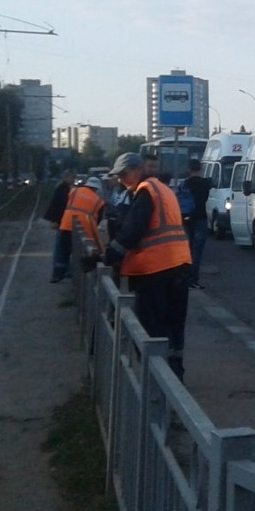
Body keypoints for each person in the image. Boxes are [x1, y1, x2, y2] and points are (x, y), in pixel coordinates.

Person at [93, 152, 193, 381]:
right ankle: (175, 377)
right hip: (179, 265)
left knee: (153, 328)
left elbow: (132, 230)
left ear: (136, 170)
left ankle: (158, 382)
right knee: (175, 325)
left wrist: (105, 257)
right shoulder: (163, 190)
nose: (120, 180)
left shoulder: (146, 192)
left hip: (155, 270)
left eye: (123, 174)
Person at [51, 176, 105, 283]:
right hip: (84, 229)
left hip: (66, 224)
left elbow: (67, 203)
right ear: (97, 189)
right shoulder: (98, 201)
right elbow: (97, 220)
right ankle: (78, 276)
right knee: (80, 252)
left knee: (62, 250)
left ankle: (57, 275)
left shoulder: (75, 191)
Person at [181, 158, 212, 288]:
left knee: (187, 248)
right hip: (201, 218)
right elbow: (205, 198)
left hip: (187, 218)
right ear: (200, 169)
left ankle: (185, 278)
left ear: (189, 169)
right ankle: (194, 279)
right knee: (197, 250)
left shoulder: (185, 184)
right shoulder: (206, 183)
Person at [43, 170, 76, 280]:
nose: (74, 180)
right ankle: (58, 272)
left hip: (64, 222)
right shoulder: (62, 189)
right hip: (62, 222)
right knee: (61, 247)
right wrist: (55, 221)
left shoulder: (65, 188)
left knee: (64, 247)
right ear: (66, 178)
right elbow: (57, 205)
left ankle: (63, 270)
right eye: (72, 178)